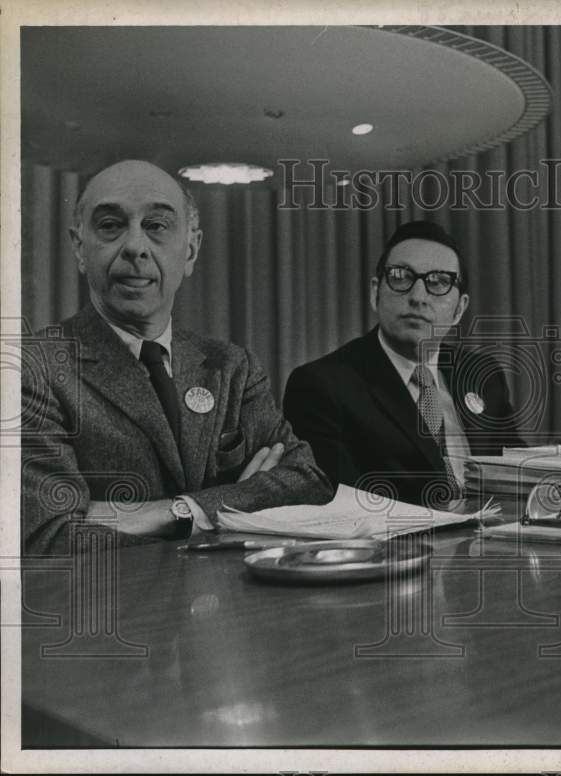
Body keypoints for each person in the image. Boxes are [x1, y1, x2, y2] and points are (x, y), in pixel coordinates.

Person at [21, 160, 334, 554]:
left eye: (156, 225)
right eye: (111, 225)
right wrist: (240, 501)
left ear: (190, 250)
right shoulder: (34, 369)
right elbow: (48, 538)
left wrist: (184, 511)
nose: (135, 247)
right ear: (80, 248)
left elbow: (309, 482)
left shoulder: (232, 367)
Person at [284, 220, 523, 507]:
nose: (418, 297)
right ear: (375, 293)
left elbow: (518, 476)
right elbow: (344, 505)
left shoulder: (482, 374)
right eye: (400, 277)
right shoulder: (321, 386)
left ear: (459, 309)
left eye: (439, 282)